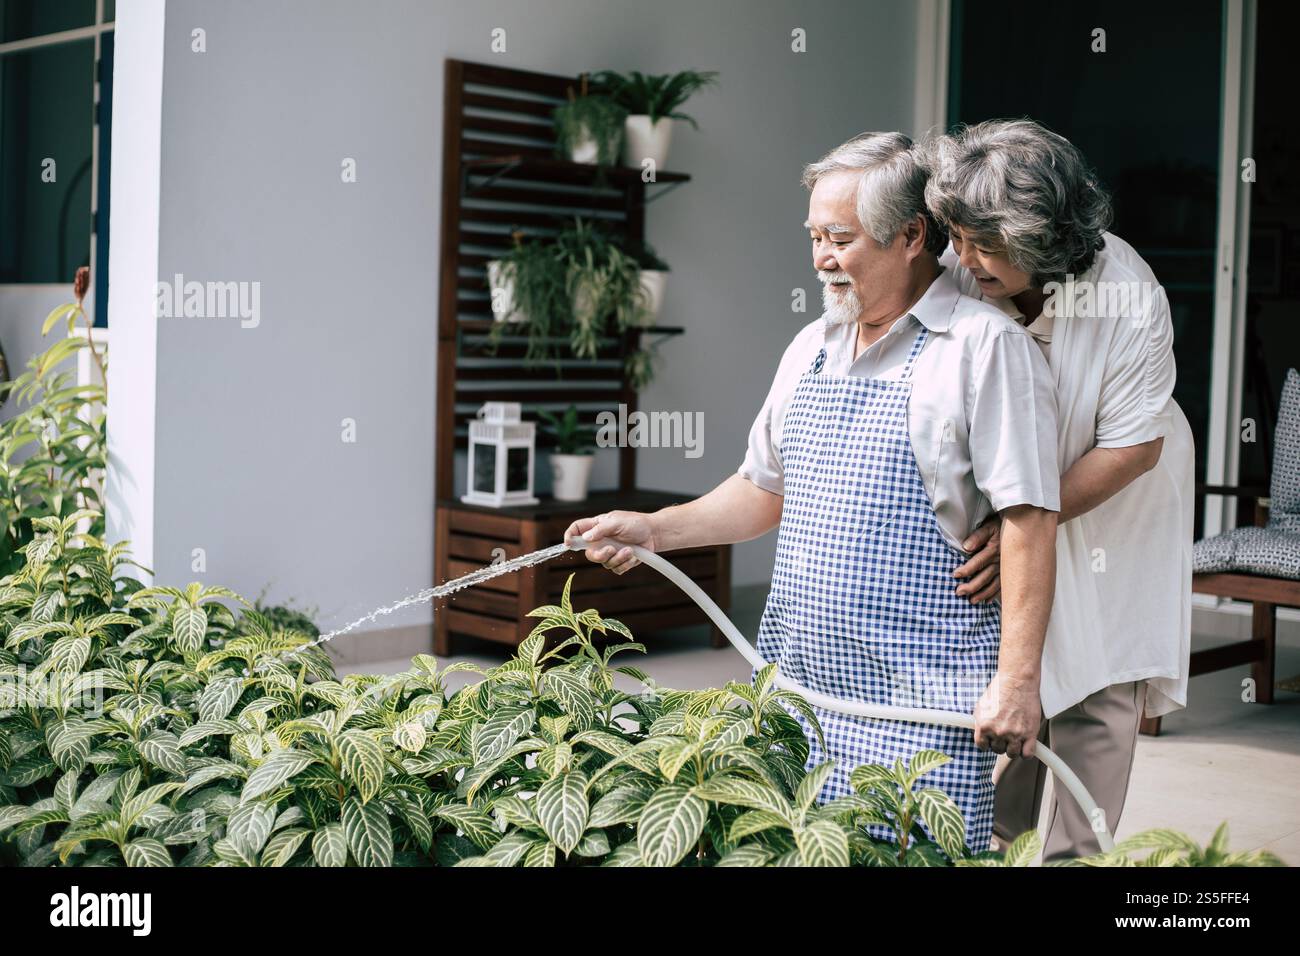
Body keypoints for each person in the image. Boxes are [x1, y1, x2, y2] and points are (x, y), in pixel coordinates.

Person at [566, 132, 1061, 853]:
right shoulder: (811, 348)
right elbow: (761, 489)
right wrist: (656, 530)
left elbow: (1030, 519)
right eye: (814, 236)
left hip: (920, 713)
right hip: (798, 697)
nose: (821, 258)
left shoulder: (984, 350)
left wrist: (1018, 681)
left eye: (841, 238)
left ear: (912, 236)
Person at [924, 118, 1195, 860]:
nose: (963, 258)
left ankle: (1075, 856)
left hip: (1115, 495)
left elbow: (1135, 446)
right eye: (956, 236)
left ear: (1045, 238)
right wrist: (1009, 524)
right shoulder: (962, 270)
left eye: (986, 245)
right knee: (1014, 672)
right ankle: (997, 846)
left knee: (1099, 684)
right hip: (1017, 503)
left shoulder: (1127, 294)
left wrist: (1025, 522)